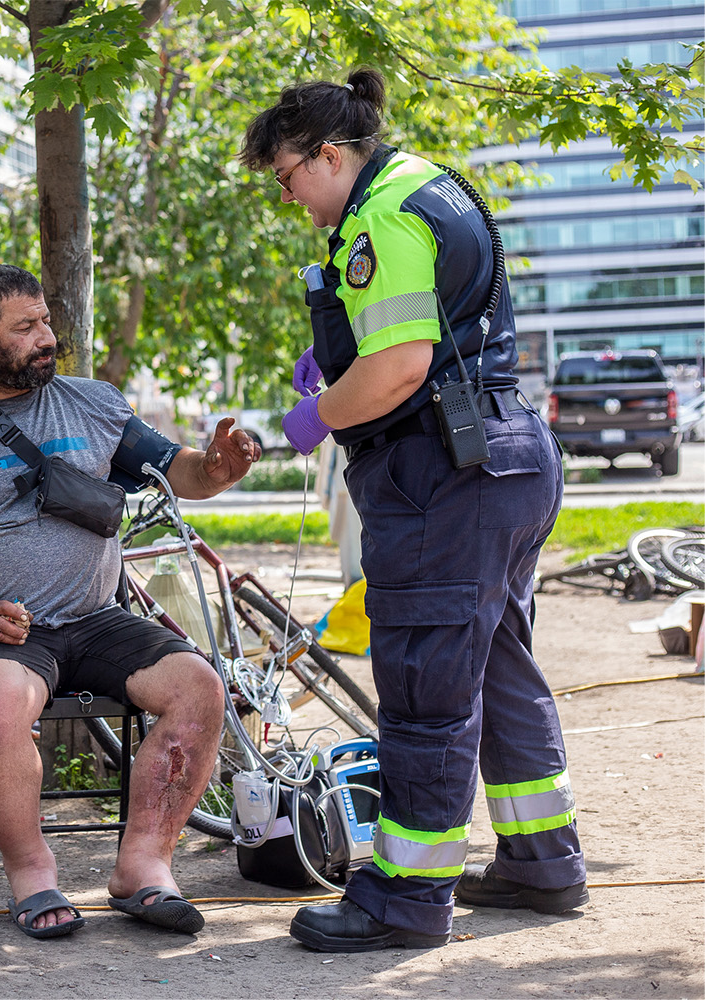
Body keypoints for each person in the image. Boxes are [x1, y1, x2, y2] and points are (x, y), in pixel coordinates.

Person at [239, 69, 587, 953]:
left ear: (327, 154)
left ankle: (405, 897)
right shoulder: (432, 184)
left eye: (287, 178)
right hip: (504, 456)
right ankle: (543, 862)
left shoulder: (380, 216)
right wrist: (340, 374)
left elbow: (397, 369)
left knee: (428, 684)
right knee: (501, 665)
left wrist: (317, 413)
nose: (291, 199)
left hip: (446, 475)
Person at [0, 264, 260, 939]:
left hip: (98, 619)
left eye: (46, 320)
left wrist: (218, 469)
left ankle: (142, 866)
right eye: (25, 328)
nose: (46, 336)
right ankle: (32, 871)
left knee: (200, 685)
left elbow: (181, 471)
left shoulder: (94, 403)